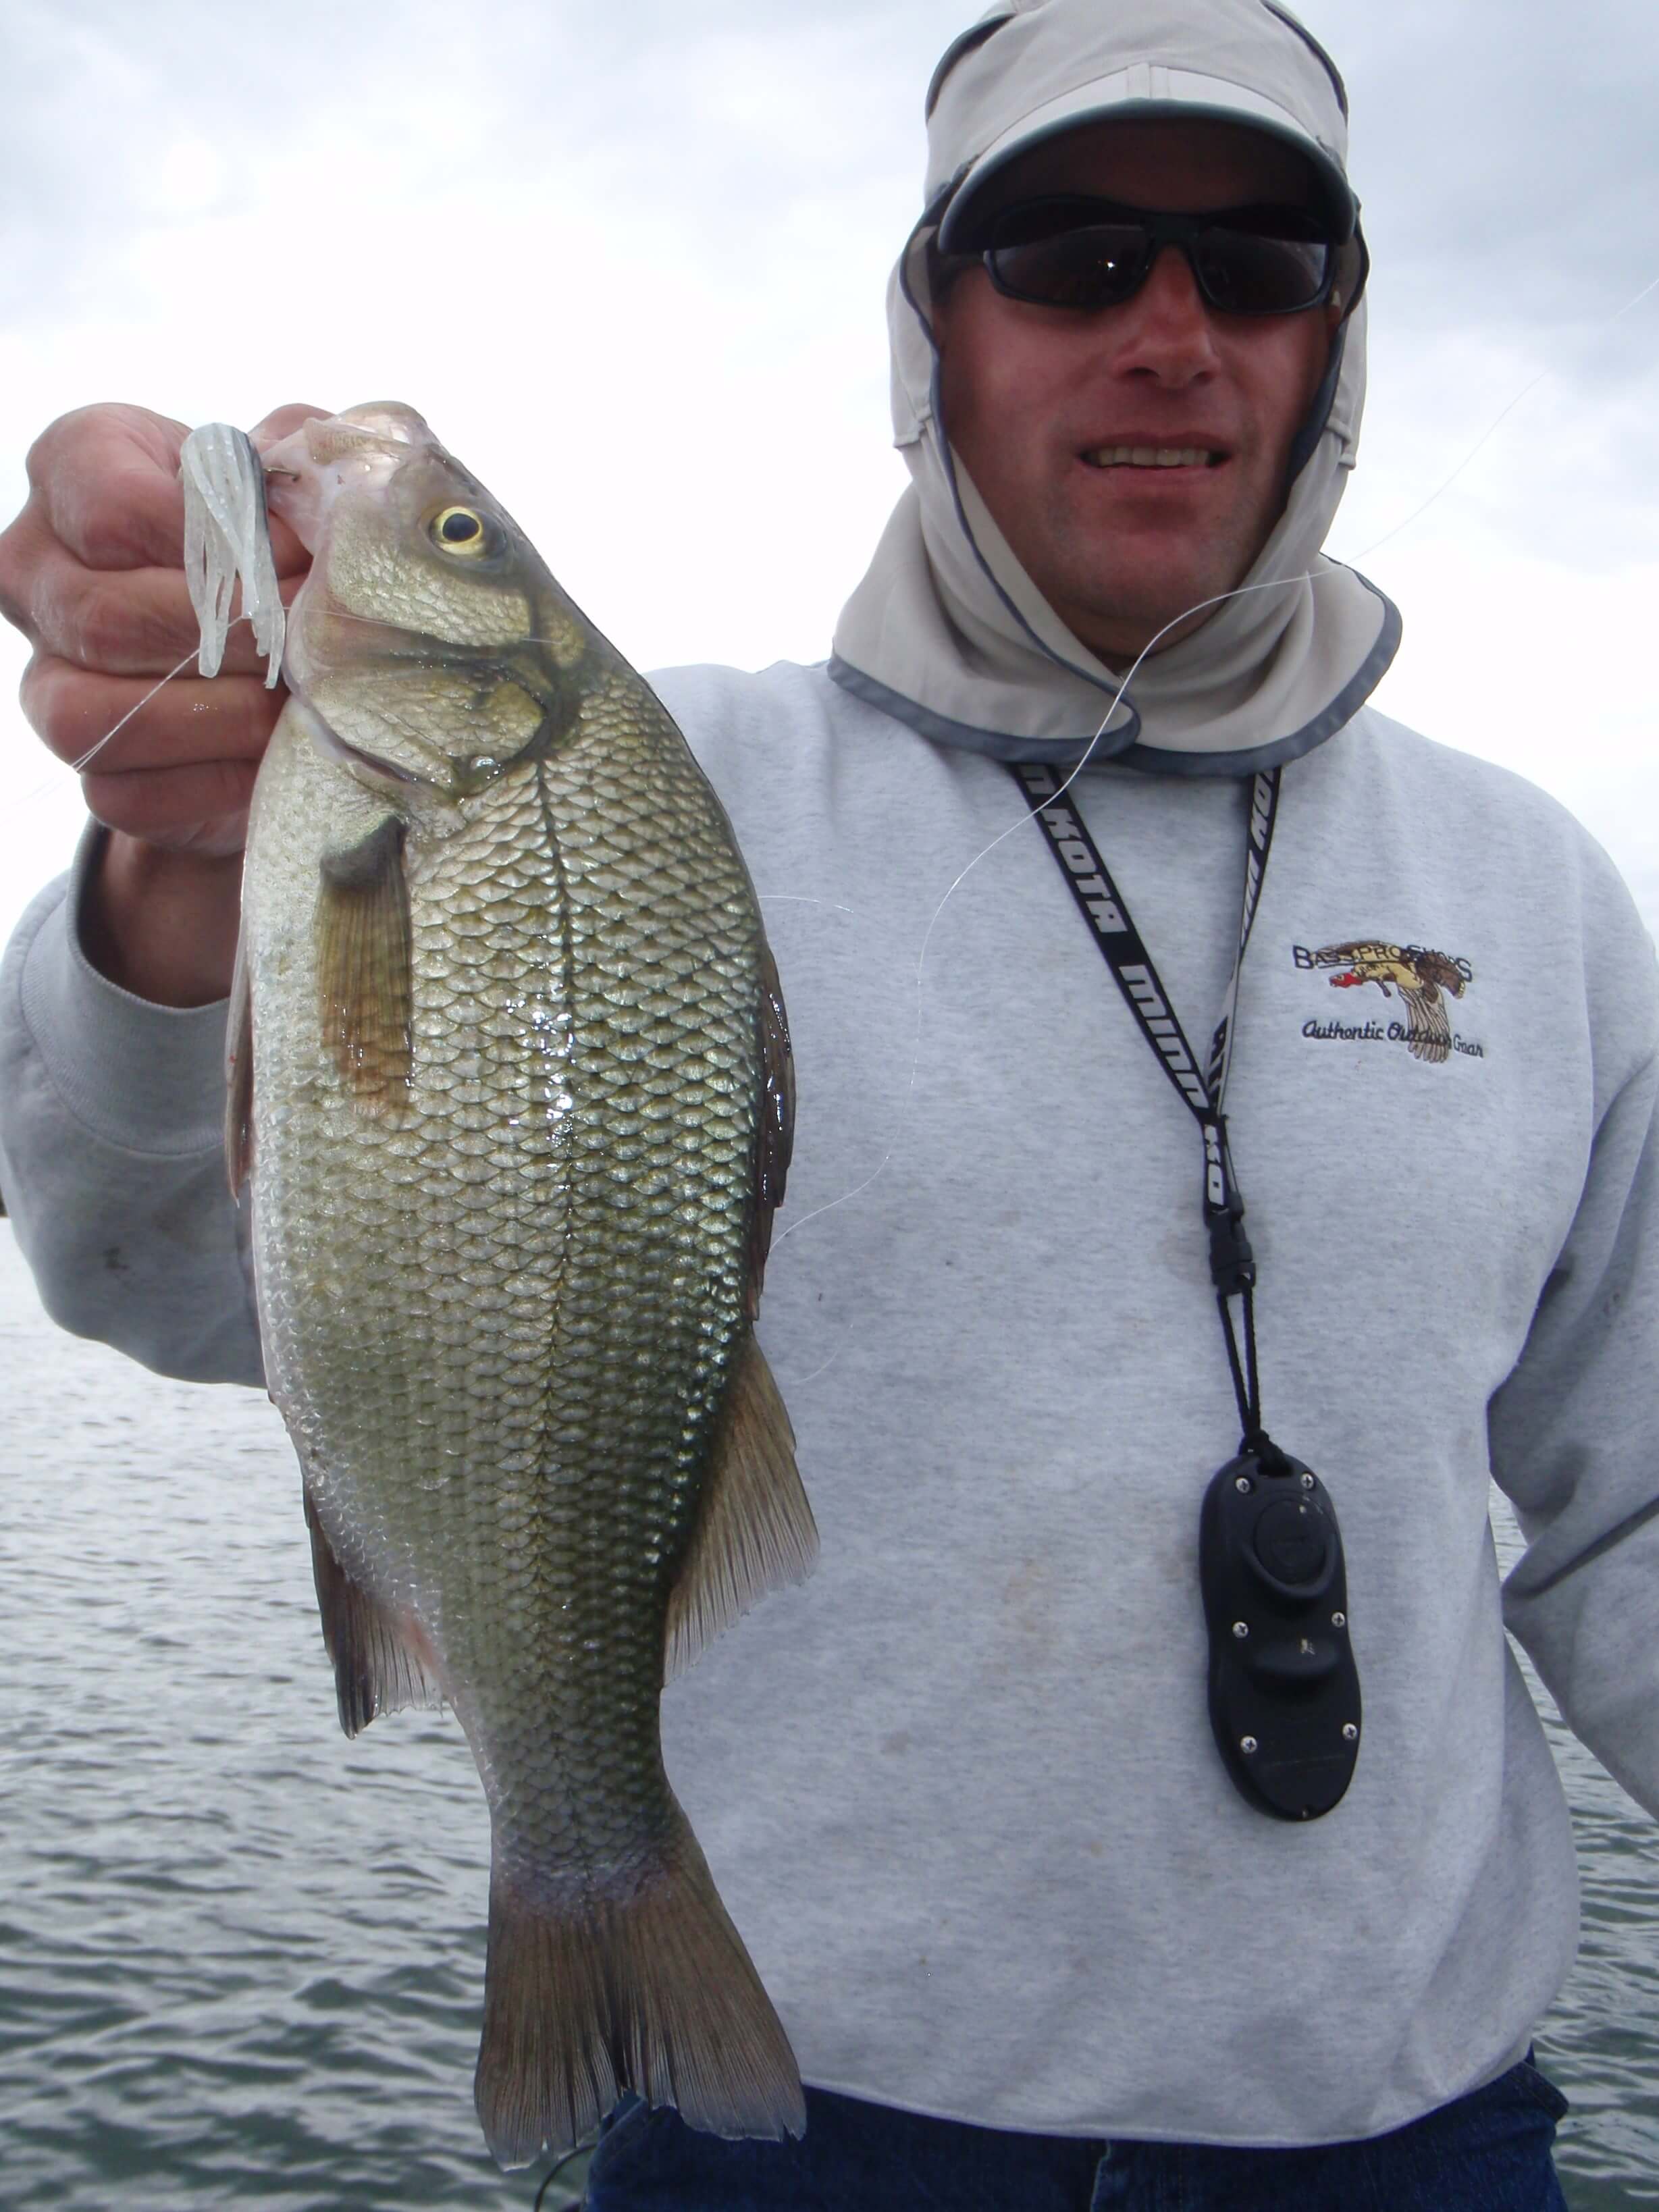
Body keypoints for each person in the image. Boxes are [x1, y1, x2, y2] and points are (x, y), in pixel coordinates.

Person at [1, 0, 1652, 2205]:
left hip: (1408, 2136)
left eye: (1256, 263)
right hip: (787, 2127)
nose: (1168, 331)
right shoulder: (647, 797)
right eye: (1067, 256)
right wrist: (174, 877)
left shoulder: (1528, 886)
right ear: (931, 330)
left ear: (1333, 337)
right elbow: (167, 1278)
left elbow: (1632, 1507)